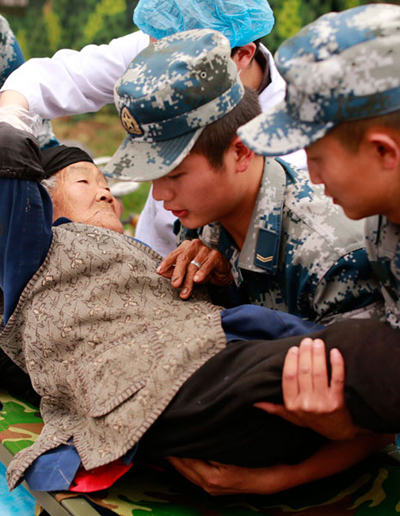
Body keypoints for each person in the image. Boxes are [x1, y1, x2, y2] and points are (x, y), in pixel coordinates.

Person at [0, 113, 399, 497]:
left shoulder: (172, 250)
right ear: (39, 204)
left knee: (353, 356)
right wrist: (18, 109)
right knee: (361, 355)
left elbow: (209, 319)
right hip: (158, 384)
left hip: (239, 393)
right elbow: (10, 155)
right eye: (84, 182)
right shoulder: (33, 251)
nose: (105, 192)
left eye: (106, 182)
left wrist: (220, 281)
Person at [102, 27, 382, 325]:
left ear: (241, 152)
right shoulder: (207, 214)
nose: (159, 195)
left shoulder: (333, 258)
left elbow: (357, 363)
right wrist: (222, 284)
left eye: (175, 175)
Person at [0, 0, 307, 257]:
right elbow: (55, 78)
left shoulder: (292, 147)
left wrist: (222, 252)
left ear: (242, 56)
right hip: (149, 258)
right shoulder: (164, 52)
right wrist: (12, 116)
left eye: (175, 172)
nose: (158, 194)